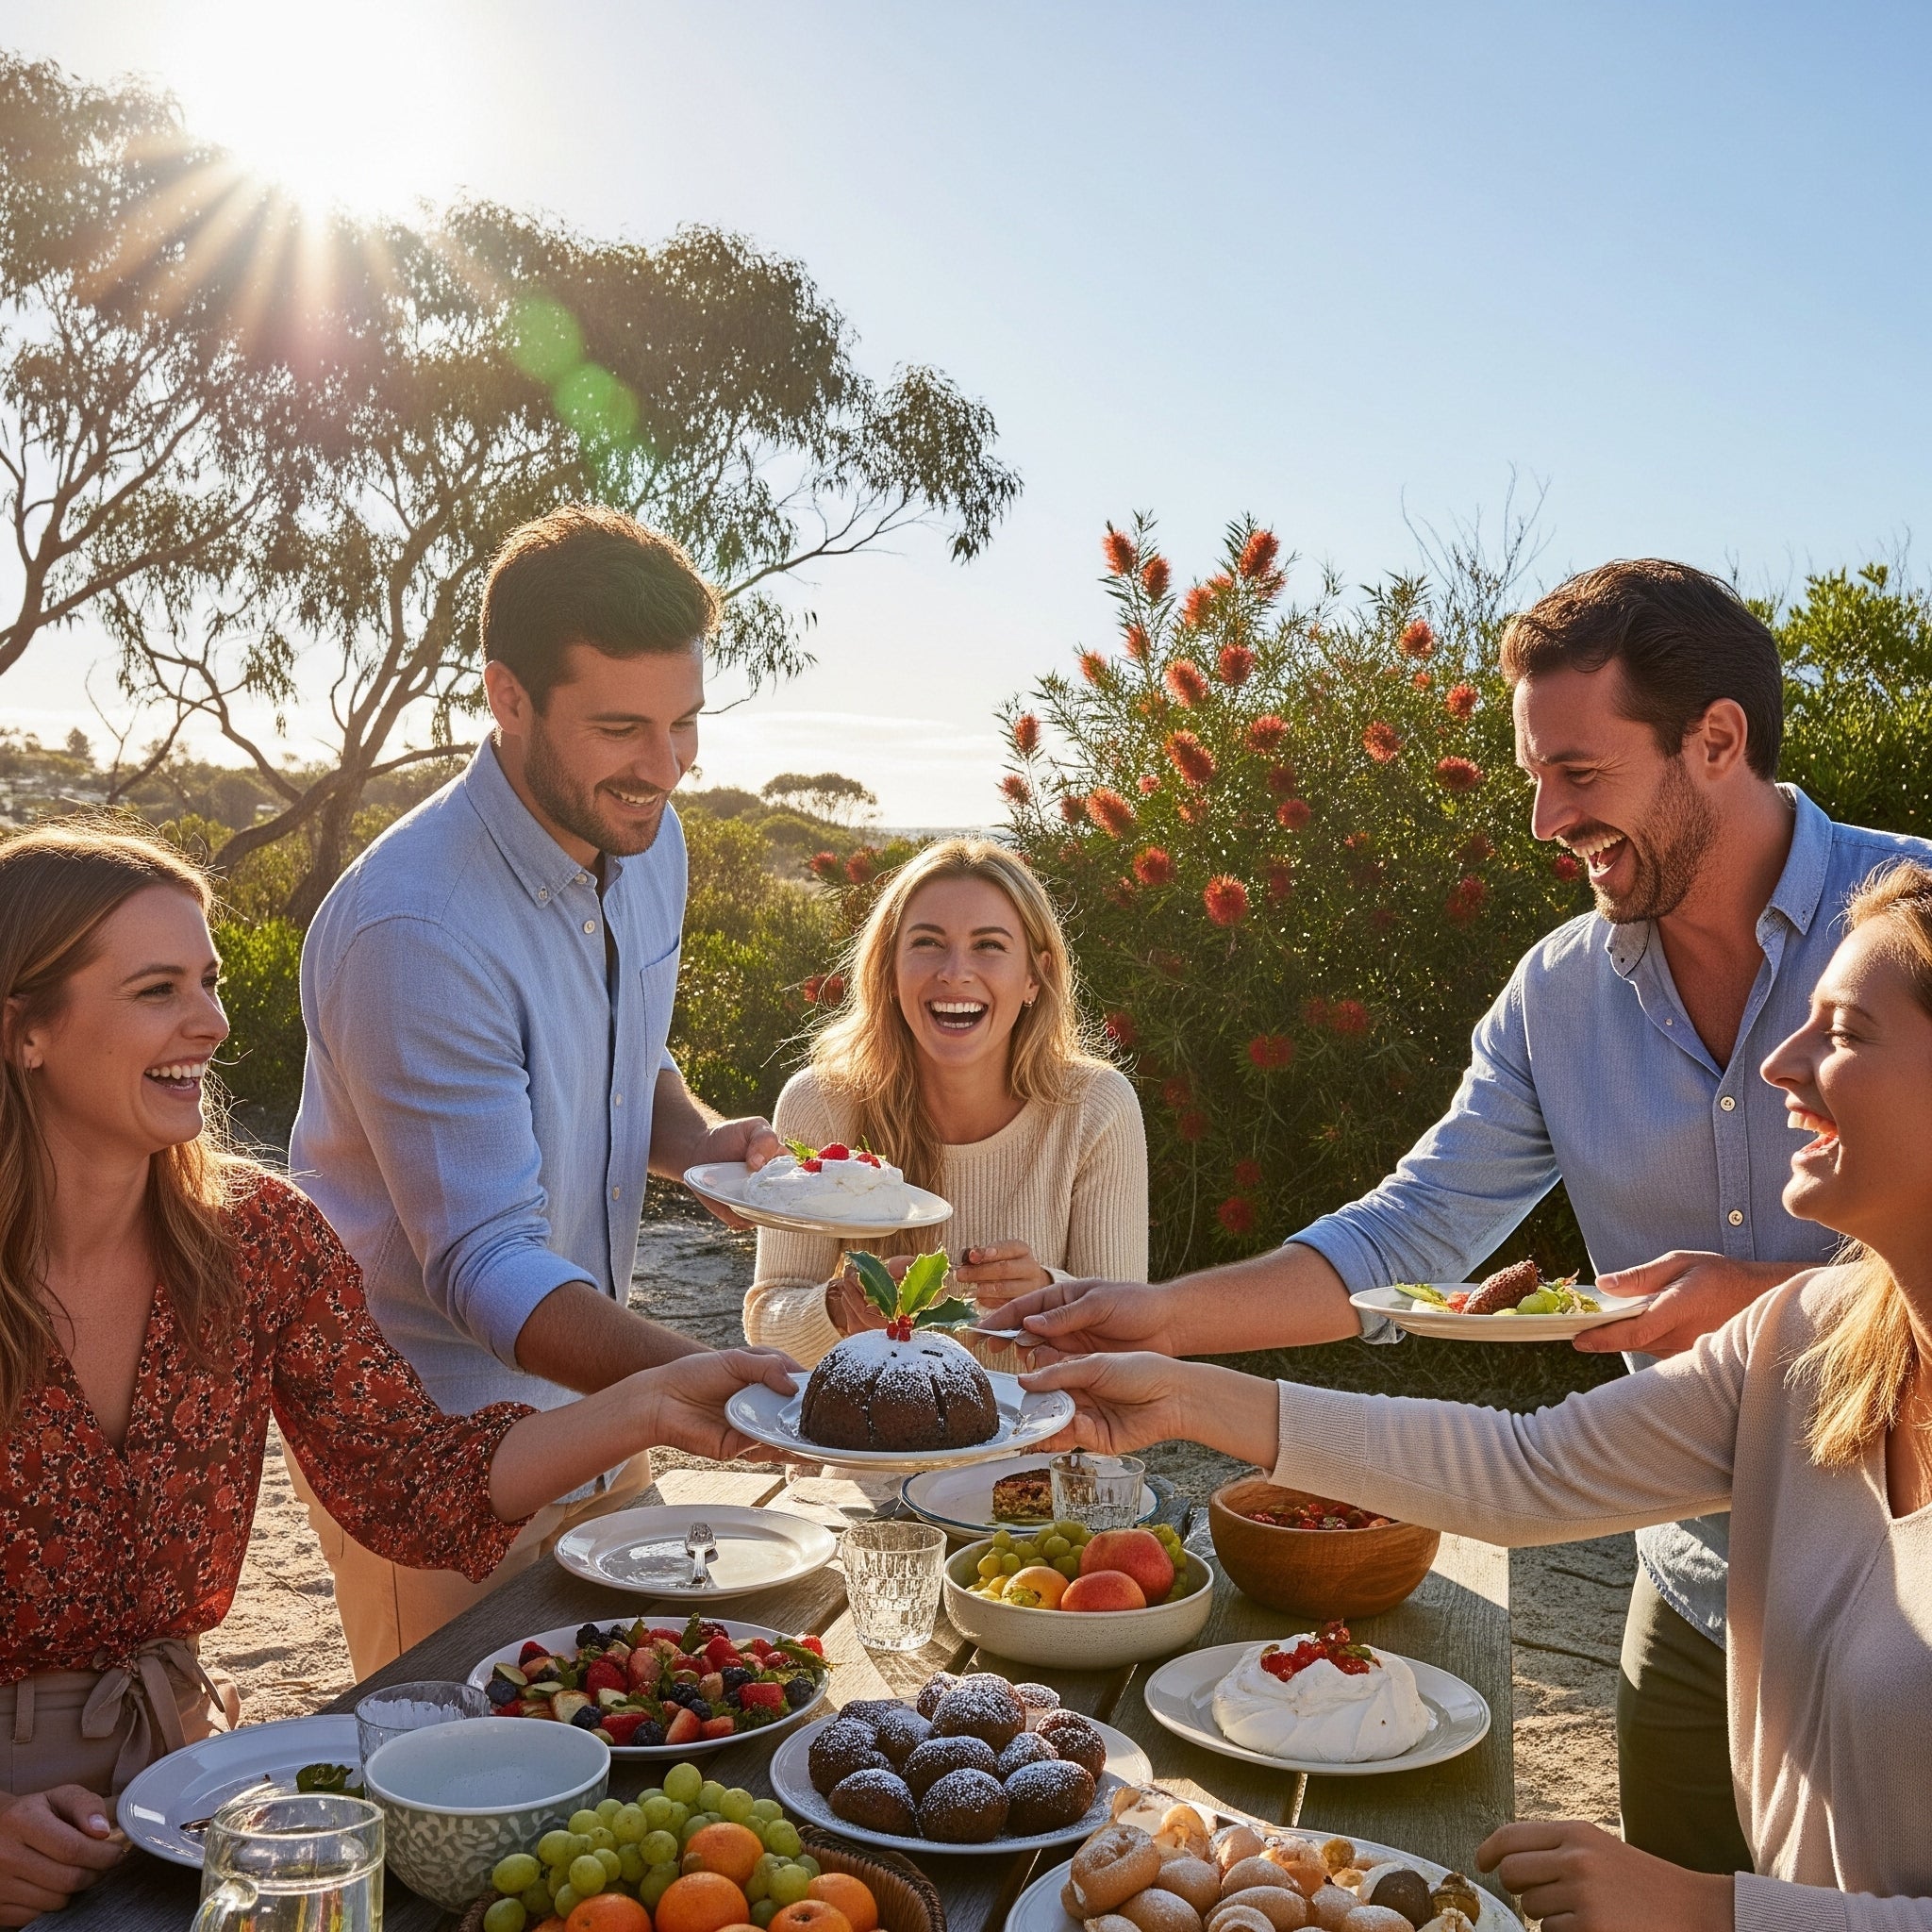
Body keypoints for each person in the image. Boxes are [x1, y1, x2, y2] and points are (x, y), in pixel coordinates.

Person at [994, 558, 1932, 1872]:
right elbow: (1416, 1244)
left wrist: (1780, 1314)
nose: (1546, 821)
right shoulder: (1560, 994)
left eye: (1580, 774)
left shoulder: (1910, 939)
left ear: (1718, 739)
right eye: (1533, 775)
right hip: (1704, 1590)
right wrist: (1163, 1329)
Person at [0, 825, 794, 1923]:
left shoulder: (258, 1238)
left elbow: (410, 1480)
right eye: (155, 989)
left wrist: (650, 1402)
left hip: (178, 1793)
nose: (214, 1022)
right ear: (24, 1026)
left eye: (209, 980)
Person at [289, 506, 790, 1674]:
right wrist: (711, 1382)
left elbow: (629, 1062)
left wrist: (709, 1144)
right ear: (506, 698)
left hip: (605, 1391)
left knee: (637, 1732)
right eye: (620, 727)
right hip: (434, 1449)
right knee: (464, 1792)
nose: (664, 767)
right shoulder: (415, 927)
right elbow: (482, 1263)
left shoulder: (645, 834)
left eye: (683, 723)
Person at [743, 839, 1146, 1370]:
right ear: (888, 969)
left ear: (1035, 976)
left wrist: (1050, 1293)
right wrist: (840, 1308)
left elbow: (1125, 1347)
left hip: (1048, 1452)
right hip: (869, 1449)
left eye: (990, 946)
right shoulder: (821, 1105)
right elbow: (768, 1327)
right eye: (928, 942)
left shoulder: (1095, 1108)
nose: (955, 971)